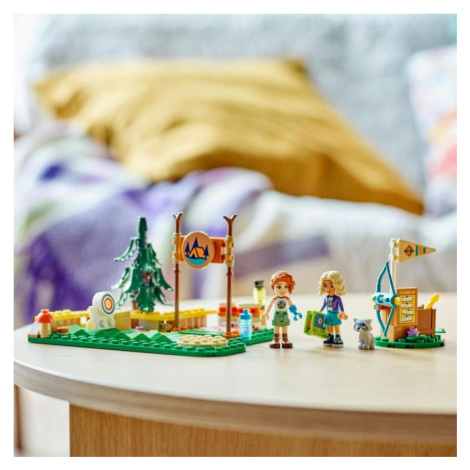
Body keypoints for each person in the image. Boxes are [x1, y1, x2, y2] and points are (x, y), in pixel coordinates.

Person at [261, 271, 301, 349]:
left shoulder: (287, 299)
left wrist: (295, 313)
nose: (283, 289)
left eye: (286, 287)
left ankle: (285, 340)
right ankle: (276, 340)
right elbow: (269, 306)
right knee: (276, 327)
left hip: (285, 314)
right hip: (277, 314)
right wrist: (266, 313)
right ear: (273, 287)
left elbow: (291, 306)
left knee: (285, 327)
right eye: (279, 287)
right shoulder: (274, 299)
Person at [318, 271, 348, 348]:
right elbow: (323, 306)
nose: (328, 289)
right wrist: (319, 312)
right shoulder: (326, 298)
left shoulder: (338, 299)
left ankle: (338, 337)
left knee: (336, 325)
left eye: (331, 286)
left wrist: (343, 313)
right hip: (328, 314)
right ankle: (330, 337)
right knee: (329, 326)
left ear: (337, 286)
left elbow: (342, 308)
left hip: (336, 314)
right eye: (325, 286)